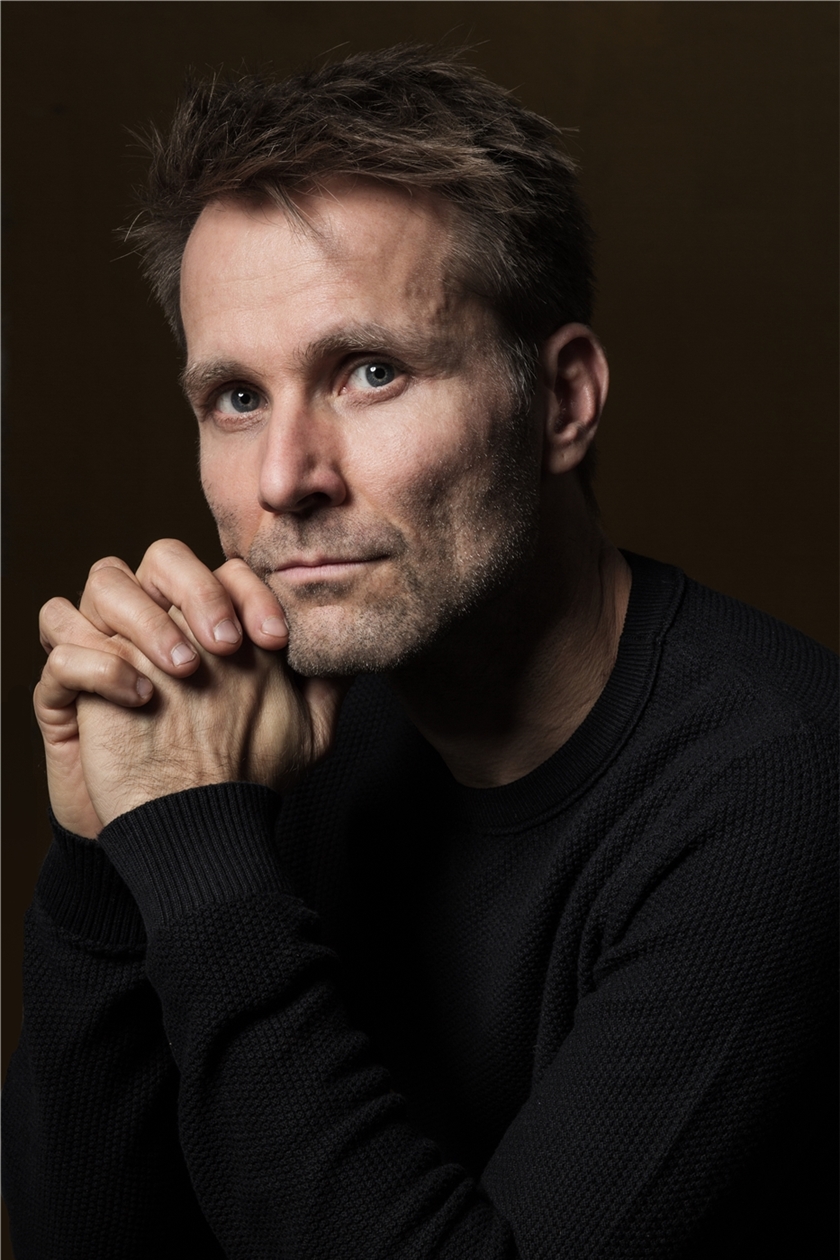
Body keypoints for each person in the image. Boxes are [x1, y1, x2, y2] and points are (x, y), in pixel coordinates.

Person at [3, 45, 836, 1260]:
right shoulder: (258, 733)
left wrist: (198, 846)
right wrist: (105, 864)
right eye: (236, 397)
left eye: (370, 372)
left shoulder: (780, 787)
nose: (285, 479)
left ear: (563, 400)